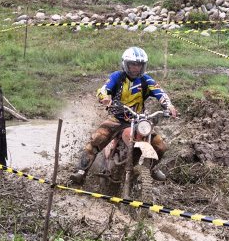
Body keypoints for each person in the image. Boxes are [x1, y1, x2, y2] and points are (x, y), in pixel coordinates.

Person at [70, 47, 178, 185]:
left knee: (161, 146)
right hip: (117, 119)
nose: (136, 68)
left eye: (139, 65)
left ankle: (151, 168)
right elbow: (103, 89)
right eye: (133, 64)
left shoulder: (146, 80)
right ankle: (81, 171)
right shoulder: (117, 77)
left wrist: (169, 106)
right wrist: (105, 98)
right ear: (126, 64)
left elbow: (160, 93)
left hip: (138, 120)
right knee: (97, 138)